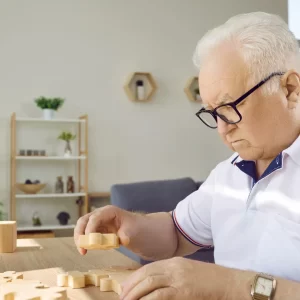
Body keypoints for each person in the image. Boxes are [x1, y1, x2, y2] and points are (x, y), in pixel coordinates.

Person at [74, 12, 300, 300]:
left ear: (289, 89)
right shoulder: (228, 174)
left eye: (230, 106)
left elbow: (227, 284)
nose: (222, 128)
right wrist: (130, 225)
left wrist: (229, 285)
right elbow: (175, 233)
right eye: (213, 113)